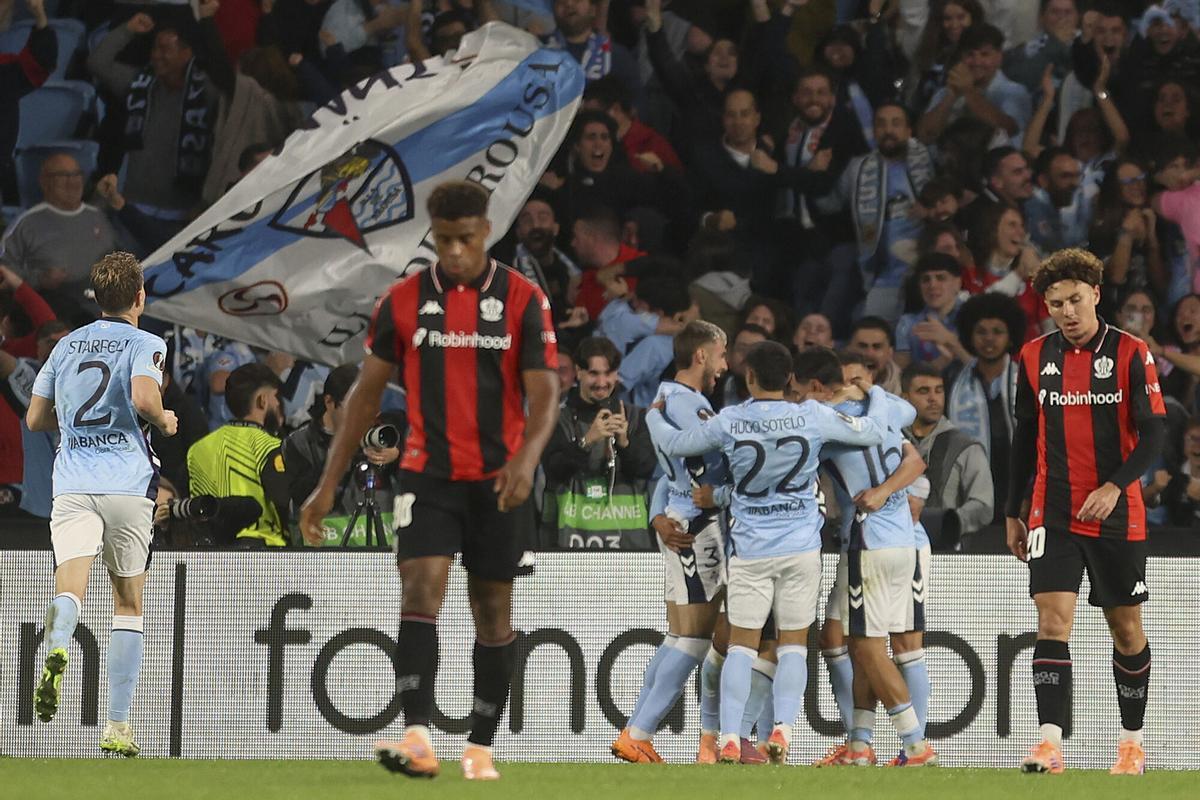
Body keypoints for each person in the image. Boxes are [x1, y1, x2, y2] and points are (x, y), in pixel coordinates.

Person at [299, 181, 559, 781]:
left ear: (486, 232)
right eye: (445, 240)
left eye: (466, 239)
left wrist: (526, 459)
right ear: (434, 235)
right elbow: (365, 397)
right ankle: (417, 736)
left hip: (498, 478)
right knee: (421, 592)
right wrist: (328, 484)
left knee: (492, 610)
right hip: (427, 473)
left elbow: (546, 393)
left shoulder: (522, 299)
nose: (457, 252)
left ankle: (480, 745)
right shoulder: (403, 301)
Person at [647, 341, 892, 765]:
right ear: (791, 379)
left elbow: (679, 443)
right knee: (794, 645)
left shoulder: (731, 420)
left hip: (750, 550)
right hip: (800, 550)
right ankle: (783, 728)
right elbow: (871, 431)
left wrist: (653, 413)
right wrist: (878, 395)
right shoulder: (811, 415)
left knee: (740, 646)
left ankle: (728, 736)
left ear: (750, 378)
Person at [1005, 248, 1165, 775]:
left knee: (1125, 629)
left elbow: (1154, 434)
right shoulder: (1032, 356)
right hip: (1052, 510)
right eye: (1056, 304)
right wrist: (1012, 509)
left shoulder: (1130, 352)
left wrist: (1118, 486)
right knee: (1052, 621)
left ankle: (1131, 745)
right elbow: (1024, 437)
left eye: (1075, 300)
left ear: (1096, 294)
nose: (1068, 313)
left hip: (1117, 513)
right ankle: (1050, 745)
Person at [27, 251, 178, 756]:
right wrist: (165, 419)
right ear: (140, 296)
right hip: (127, 486)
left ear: (96, 298)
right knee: (128, 605)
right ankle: (116, 726)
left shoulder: (65, 345)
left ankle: (56, 646)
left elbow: (34, 418)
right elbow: (141, 398)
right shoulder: (147, 342)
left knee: (69, 586)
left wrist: (72, 424)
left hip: (72, 484)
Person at [790, 347, 933, 768]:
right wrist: (869, 392)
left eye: (800, 391)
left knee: (869, 649)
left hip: (868, 542)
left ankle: (915, 745)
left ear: (816, 386)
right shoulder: (884, 411)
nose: (798, 400)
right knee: (849, 640)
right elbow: (911, 445)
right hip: (902, 541)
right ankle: (859, 746)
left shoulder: (828, 425)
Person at [610, 320, 731, 764]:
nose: (725, 365)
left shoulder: (666, 399)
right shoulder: (689, 406)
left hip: (678, 520)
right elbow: (712, 465)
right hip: (697, 527)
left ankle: (635, 732)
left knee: (679, 635)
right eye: (721, 354)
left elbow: (669, 473)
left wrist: (657, 513)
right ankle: (639, 734)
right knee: (695, 638)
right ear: (701, 355)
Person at [541, 337, 657, 550]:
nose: (602, 382)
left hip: (629, 548)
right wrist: (587, 442)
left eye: (608, 373)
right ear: (579, 372)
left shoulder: (637, 417)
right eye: (594, 373)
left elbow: (645, 469)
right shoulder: (556, 419)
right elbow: (553, 468)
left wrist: (624, 442)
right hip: (568, 546)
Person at [283, 363, 402, 545]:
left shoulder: (380, 434)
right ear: (329, 402)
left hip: (381, 552)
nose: (363, 418)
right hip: (326, 556)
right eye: (354, 409)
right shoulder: (298, 443)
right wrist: (345, 456)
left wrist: (396, 457)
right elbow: (301, 493)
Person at [1, 152, 118, 321]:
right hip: (52, 317)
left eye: (76, 174)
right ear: (45, 182)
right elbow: (4, 275)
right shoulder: (26, 224)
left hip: (103, 314)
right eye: (63, 176)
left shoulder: (97, 216)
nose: (72, 182)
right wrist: (39, 279)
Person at [187, 363, 290, 548]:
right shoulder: (271, 447)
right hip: (266, 557)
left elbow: (197, 511)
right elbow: (285, 507)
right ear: (263, 400)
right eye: (276, 397)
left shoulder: (197, 450)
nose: (278, 404)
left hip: (211, 558)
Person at [902, 363, 995, 537]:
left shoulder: (966, 448)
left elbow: (983, 505)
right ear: (905, 399)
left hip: (946, 554)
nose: (933, 398)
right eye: (923, 391)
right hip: (894, 547)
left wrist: (944, 523)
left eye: (939, 390)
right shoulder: (890, 443)